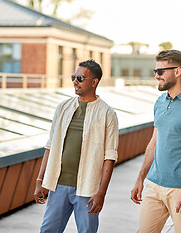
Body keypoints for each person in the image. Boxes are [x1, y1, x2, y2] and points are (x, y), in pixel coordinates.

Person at [130, 50, 181, 233]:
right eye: (155, 71)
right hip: (154, 185)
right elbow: (154, 142)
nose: (156, 76)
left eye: (160, 72)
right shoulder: (160, 102)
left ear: (177, 71)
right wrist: (140, 179)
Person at [34, 59, 119, 233]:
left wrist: (101, 193)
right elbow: (50, 146)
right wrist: (40, 181)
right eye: (74, 76)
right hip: (58, 185)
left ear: (94, 82)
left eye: (80, 78)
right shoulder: (62, 108)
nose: (74, 81)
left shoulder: (107, 114)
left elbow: (109, 157)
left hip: (88, 189)